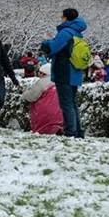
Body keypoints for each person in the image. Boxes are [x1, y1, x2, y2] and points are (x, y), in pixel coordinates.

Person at [41, 8, 87, 138]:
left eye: (62, 16)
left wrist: (45, 43)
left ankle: (70, 131)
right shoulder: (77, 32)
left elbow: (53, 47)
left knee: (66, 103)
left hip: (64, 71)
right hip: (75, 72)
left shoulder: (66, 32)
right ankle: (78, 131)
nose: (60, 18)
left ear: (66, 18)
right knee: (72, 103)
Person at [22, 63, 64, 135]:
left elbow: (31, 97)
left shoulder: (42, 82)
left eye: (40, 73)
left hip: (44, 114)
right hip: (59, 113)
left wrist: (24, 93)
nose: (39, 74)